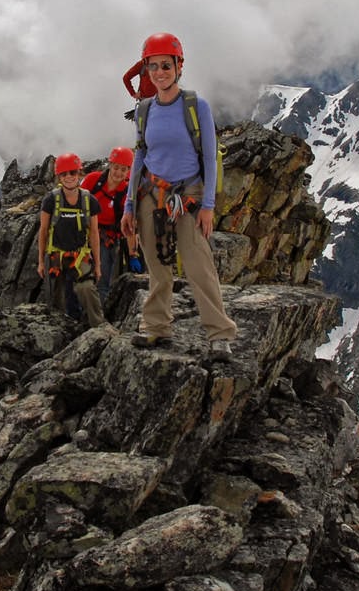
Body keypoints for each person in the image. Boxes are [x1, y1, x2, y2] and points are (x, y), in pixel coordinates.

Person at [122, 33, 239, 355]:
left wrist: (208, 207)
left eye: (165, 65)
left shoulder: (195, 106)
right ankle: (155, 327)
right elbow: (140, 157)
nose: (160, 73)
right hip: (150, 194)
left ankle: (219, 334)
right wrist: (129, 206)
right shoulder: (145, 110)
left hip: (188, 196)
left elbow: (209, 156)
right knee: (157, 267)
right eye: (153, 67)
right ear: (146, 71)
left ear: (178, 66)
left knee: (198, 265)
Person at [36, 153, 107, 328]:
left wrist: (97, 265)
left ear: (79, 174)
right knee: (57, 297)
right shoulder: (51, 200)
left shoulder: (89, 200)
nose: (69, 177)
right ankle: (61, 332)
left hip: (80, 256)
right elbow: (43, 231)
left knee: (87, 289)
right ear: (59, 177)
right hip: (56, 257)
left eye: (73, 173)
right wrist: (40, 262)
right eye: (64, 174)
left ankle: (99, 328)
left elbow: (94, 234)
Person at [82, 146, 134, 298]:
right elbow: (77, 202)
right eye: (116, 167)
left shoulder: (127, 192)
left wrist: (133, 253)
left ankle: (99, 317)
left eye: (123, 170)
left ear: (128, 171)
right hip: (84, 234)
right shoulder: (93, 180)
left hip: (107, 240)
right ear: (110, 165)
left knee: (102, 282)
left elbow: (130, 225)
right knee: (78, 277)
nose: (118, 173)